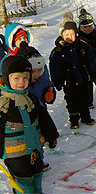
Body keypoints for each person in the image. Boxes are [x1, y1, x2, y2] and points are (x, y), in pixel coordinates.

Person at [0, 55, 59, 193]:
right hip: (15, 156)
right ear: (6, 79)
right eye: (16, 78)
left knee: (37, 175)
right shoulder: (3, 105)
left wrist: (51, 136)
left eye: (25, 78)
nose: (21, 82)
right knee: (24, 182)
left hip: (34, 150)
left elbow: (44, 119)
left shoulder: (31, 100)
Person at [49, 12, 96, 129]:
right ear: (61, 34)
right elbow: (54, 67)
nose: (70, 36)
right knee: (71, 102)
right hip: (69, 82)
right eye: (66, 34)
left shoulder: (82, 46)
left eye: (72, 34)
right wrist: (57, 80)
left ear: (76, 33)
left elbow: (91, 61)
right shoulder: (58, 51)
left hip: (82, 79)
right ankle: (74, 120)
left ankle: (86, 117)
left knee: (84, 99)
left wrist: (94, 73)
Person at [16, 42, 57, 172]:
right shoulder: (19, 84)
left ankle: (40, 161)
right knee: (26, 142)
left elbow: (49, 92)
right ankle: (27, 163)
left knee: (39, 140)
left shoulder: (43, 81)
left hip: (40, 116)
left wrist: (50, 94)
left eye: (39, 71)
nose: (36, 75)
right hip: (23, 119)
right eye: (32, 72)